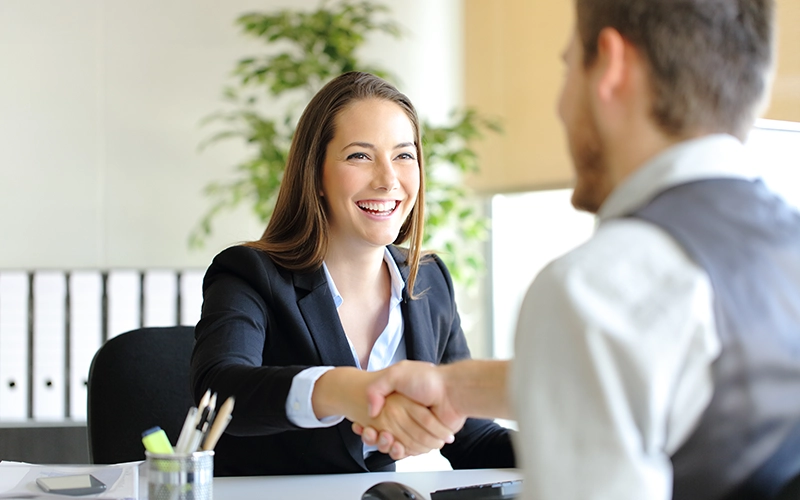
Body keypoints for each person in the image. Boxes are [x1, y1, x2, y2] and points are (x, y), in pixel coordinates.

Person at [354, 0, 800, 498]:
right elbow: (681, 384)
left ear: (610, 66)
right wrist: (458, 387)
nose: (561, 106)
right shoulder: (786, 248)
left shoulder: (595, 288)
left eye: (568, 68)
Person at [190, 71, 515, 476]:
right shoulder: (250, 274)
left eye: (404, 155)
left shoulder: (428, 281)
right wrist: (346, 391)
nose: (388, 180)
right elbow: (219, 393)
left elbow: (474, 439)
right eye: (360, 156)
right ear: (317, 175)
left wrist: (575, 442)